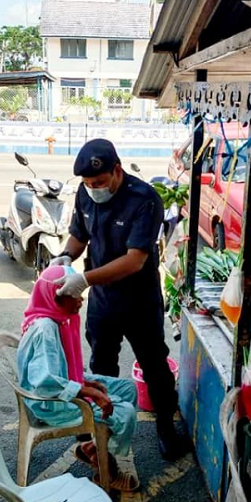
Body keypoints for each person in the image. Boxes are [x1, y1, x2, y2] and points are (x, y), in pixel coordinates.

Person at [50, 138, 192, 461]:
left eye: (98, 182)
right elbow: (79, 234)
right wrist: (64, 256)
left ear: (117, 170)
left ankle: (165, 426)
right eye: (87, 184)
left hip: (139, 301)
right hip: (103, 303)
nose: (92, 188)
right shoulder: (86, 194)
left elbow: (134, 260)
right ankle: (103, 425)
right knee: (102, 366)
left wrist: (84, 279)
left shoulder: (145, 200)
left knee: (155, 366)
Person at [17, 265, 139, 492]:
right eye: (75, 296)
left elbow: (62, 369)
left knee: (127, 389)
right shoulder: (45, 329)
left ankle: (96, 449)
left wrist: (85, 383)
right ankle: (107, 469)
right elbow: (45, 381)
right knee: (124, 413)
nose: (80, 301)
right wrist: (88, 392)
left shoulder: (56, 320)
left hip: (59, 386)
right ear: (58, 299)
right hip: (49, 404)